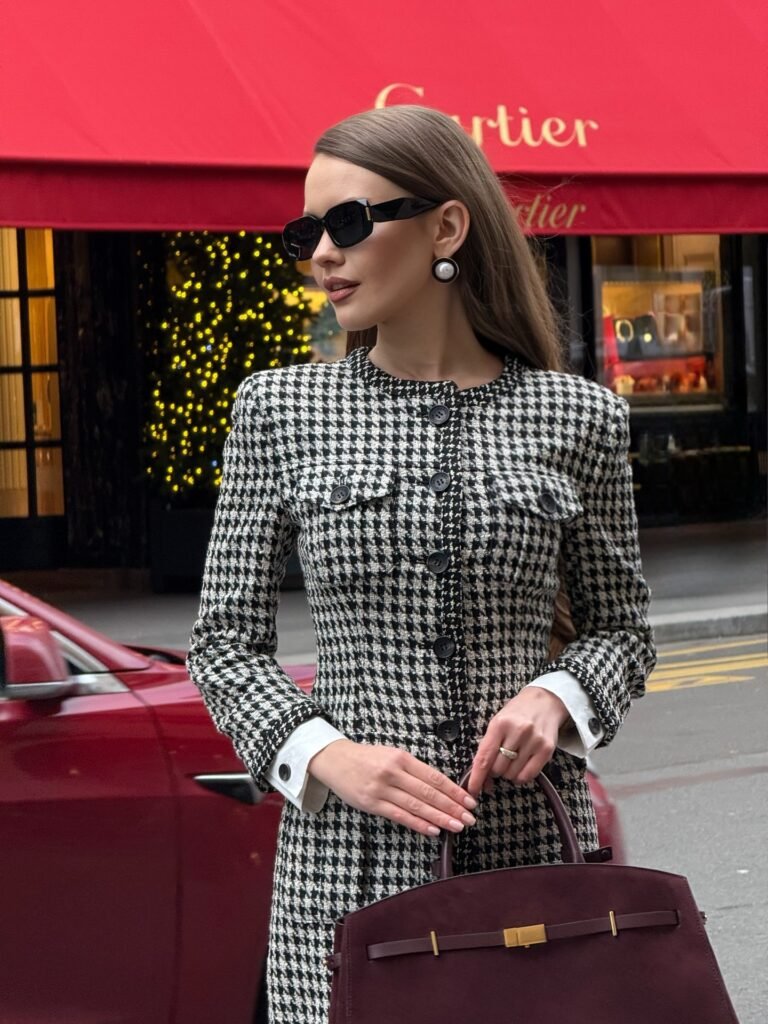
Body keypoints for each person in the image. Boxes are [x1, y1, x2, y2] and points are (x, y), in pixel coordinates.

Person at [186, 104, 657, 1024]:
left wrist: (557, 695)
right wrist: (329, 756)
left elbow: (622, 632)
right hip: (345, 876)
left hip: (531, 869)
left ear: (446, 227)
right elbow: (224, 644)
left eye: (349, 222)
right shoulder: (280, 410)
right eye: (307, 232)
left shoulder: (578, 417)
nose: (323, 254)